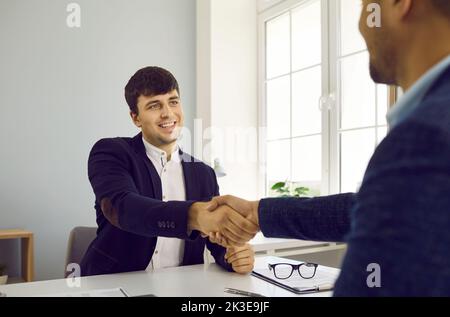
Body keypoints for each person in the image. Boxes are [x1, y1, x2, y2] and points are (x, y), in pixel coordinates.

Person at [210, 0, 450, 296]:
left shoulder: (423, 137)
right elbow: (366, 209)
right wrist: (259, 212)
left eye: (364, 5)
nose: (362, 24)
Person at [80, 66, 257, 276]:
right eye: (154, 105)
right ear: (136, 118)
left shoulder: (204, 173)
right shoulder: (111, 152)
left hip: (180, 287)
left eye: (173, 101)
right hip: (112, 283)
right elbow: (122, 208)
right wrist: (194, 216)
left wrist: (234, 255)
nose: (168, 113)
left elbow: (215, 240)